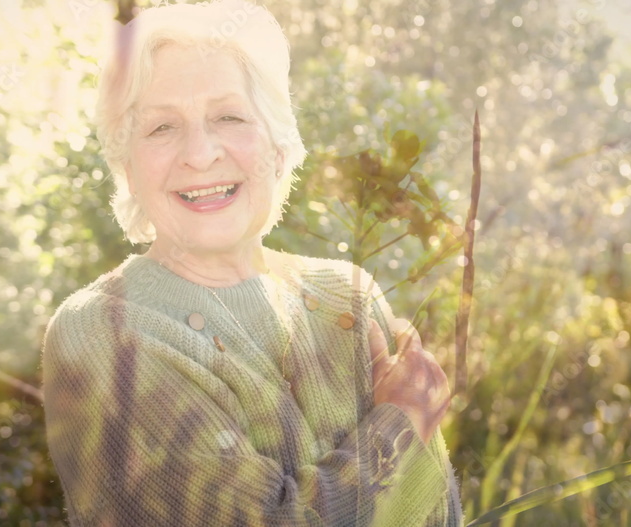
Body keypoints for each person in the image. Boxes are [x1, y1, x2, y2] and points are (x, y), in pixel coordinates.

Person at [41, 1, 463, 525]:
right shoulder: (105, 332)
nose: (200, 153)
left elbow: (437, 515)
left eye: (229, 116)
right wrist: (403, 422)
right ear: (127, 166)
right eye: (161, 128)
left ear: (279, 144)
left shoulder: (349, 295)